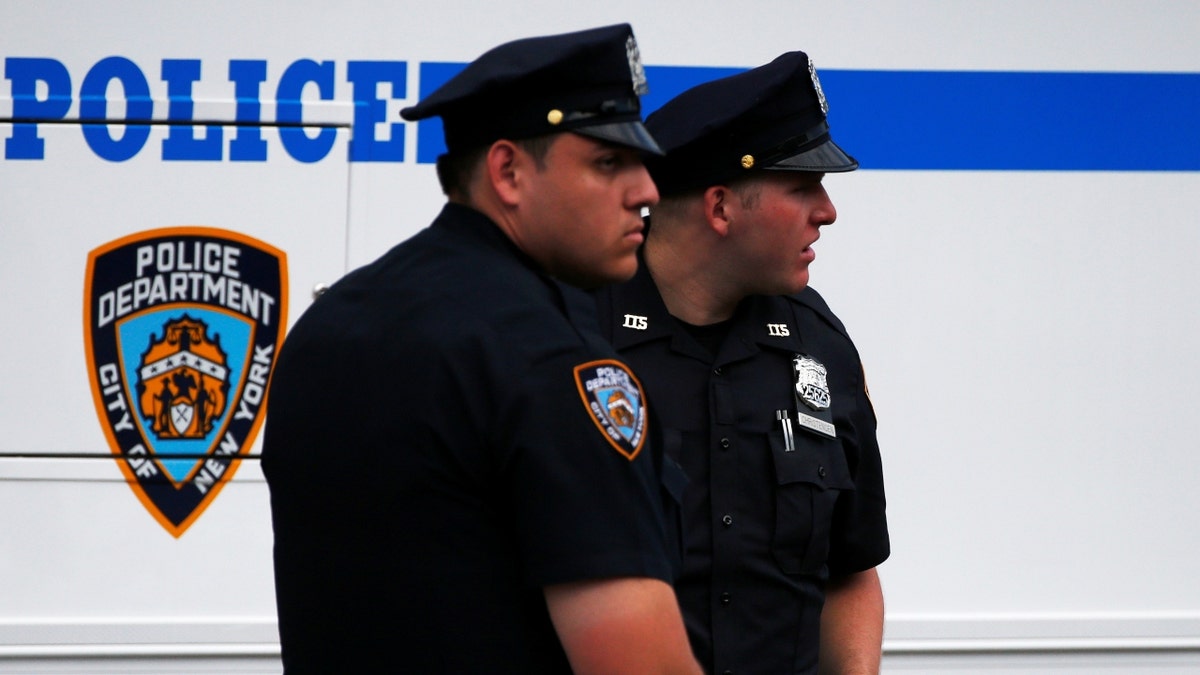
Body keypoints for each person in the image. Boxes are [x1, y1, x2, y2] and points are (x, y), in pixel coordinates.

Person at [262, 24, 701, 674]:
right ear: (508, 172)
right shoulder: (553, 361)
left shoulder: (331, 323)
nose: (646, 192)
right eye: (608, 163)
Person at [592, 51, 890, 674]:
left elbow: (851, 571)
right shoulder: (573, 342)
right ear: (721, 207)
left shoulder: (820, 346)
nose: (827, 211)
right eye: (802, 186)